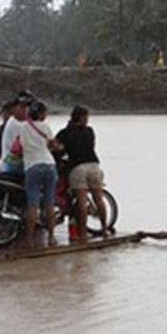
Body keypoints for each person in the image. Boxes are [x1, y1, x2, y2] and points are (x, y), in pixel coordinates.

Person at [55, 105, 108, 241]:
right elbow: (92, 146)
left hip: (77, 168)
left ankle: (83, 233)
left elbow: (58, 149)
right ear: (81, 117)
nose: (88, 119)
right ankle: (104, 230)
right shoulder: (89, 131)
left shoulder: (65, 133)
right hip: (94, 166)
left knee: (81, 202)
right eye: (87, 117)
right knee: (99, 200)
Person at [16, 100, 61, 248]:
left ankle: (29, 240)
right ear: (41, 114)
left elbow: (20, 147)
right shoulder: (46, 127)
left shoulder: (22, 128)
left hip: (32, 167)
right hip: (49, 165)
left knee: (33, 206)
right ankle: (52, 238)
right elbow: (52, 145)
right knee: (49, 204)